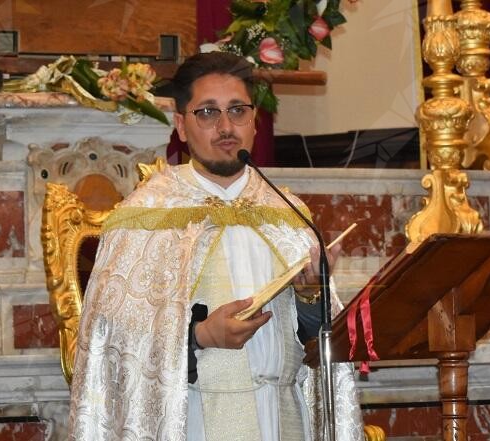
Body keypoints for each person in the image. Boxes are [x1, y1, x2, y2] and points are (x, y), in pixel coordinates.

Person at [68, 52, 363, 440]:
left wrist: (311, 297)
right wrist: (201, 336)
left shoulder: (288, 214)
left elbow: (319, 341)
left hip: (283, 417)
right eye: (207, 113)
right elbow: (113, 341)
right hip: (193, 420)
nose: (226, 126)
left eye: (237, 110)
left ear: (254, 121)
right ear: (181, 126)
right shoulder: (145, 217)